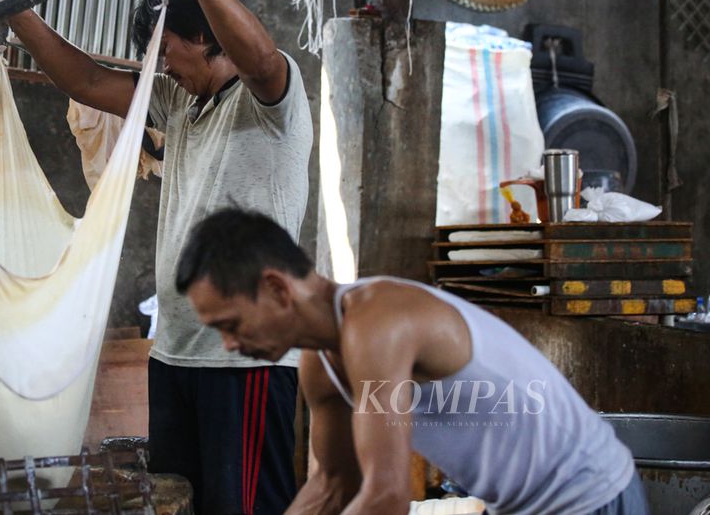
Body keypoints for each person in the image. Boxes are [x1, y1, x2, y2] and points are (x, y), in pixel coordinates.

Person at [0, 0, 313, 515]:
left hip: (244, 360)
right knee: (177, 503)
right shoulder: (179, 102)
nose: (158, 66)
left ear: (204, 36)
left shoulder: (270, 101)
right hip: (175, 351)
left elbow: (259, 57)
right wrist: (16, 9)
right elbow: (85, 81)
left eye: (167, 49)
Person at [176, 209, 650, 515]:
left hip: (592, 497)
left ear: (278, 288)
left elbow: (386, 499)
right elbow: (336, 484)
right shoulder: (320, 365)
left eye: (231, 324)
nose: (229, 345)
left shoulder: (377, 321)